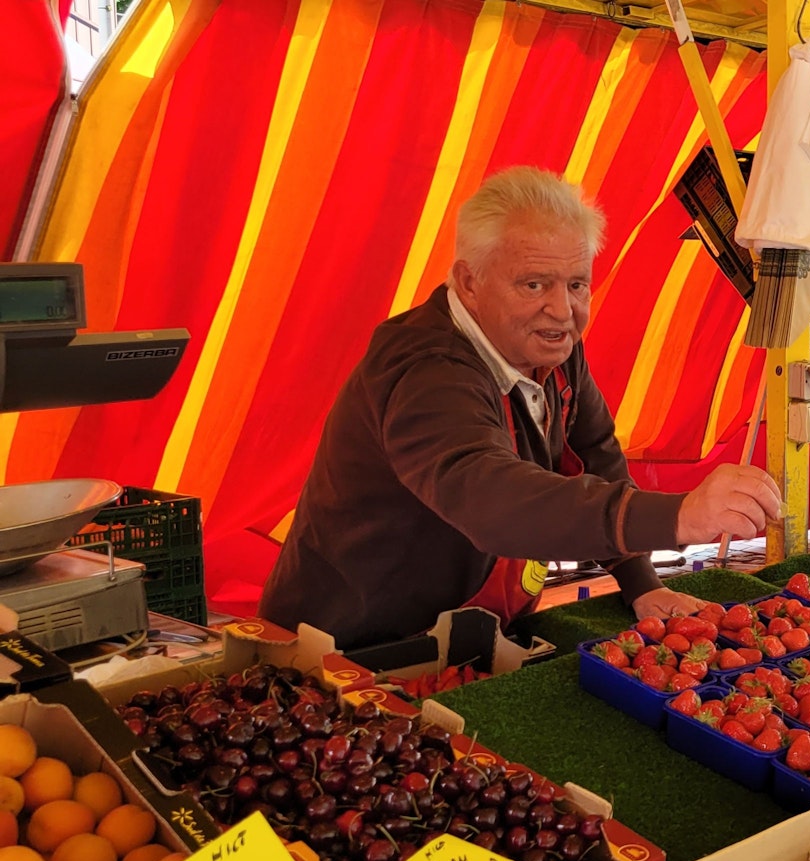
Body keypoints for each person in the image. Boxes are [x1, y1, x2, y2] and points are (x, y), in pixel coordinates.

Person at [261, 167, 782, 647]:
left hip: (464, 628)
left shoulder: (549, 345)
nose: (562, 310)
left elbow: (595, 452)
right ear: (469, 282)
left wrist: (638, 581)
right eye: (534, 284)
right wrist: (679, 516)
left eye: (577, 284)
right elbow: (490, 496)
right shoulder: (426, 367)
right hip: (349, 643)